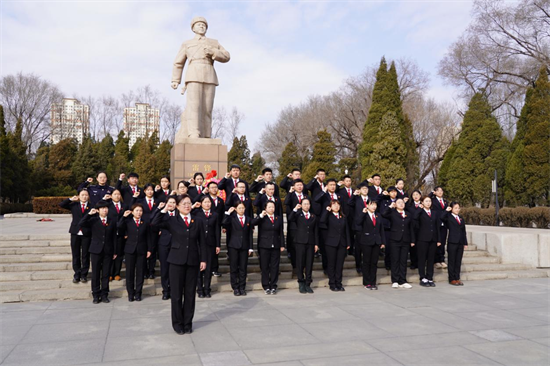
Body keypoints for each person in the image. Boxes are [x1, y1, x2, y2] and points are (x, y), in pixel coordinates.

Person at [152, 195, 207, 335]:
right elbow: (154, 222)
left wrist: (203, 260)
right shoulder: (172, 220)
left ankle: (188, 323)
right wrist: (164, 209)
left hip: (193, 261)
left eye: (189, 203)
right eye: (183, 203)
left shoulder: (198, 221)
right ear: (177, 206)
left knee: (190, 294)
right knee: (176, 295)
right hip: (176, 261)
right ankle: (177, 324)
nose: (187, 206)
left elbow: (203, 242)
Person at [78, 200, 118, 304]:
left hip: (108, 251)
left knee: (105, 274)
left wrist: (114, 251)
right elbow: (81, 223)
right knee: (95, 273)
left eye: (106, 208)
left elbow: (114, 237)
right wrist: (89, 214)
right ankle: (95, 294)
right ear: (98, 210)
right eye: (102, 208)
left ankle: (104, 294)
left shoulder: (112, 221)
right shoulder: (93, 220)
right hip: (96, 250)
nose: (105, 210)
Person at [118, 204, 150, 301]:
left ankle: (138, 293)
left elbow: (149, 237)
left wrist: (149, 250)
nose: (139, 212)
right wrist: (123, 216)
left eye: (140, 211)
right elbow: (119, 226)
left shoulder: (145, 222)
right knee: (130, 273)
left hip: (142, 250)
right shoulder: (128, 221)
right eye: (136, 210)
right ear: (132, 212)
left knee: (140, 273)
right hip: (130, 250)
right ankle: (130, 293)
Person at [381, 198, 415, 289]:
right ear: (395, 204)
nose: (401, 204)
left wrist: (412, 240)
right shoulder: (392, 213)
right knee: (395, 260)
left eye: (402, 202)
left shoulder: (408, 214)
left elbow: (411, 228)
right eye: (399, 203)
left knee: (403, 261)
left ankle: (402, 280)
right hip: (394, 240)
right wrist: (390, 207)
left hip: (405, 240)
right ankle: (395, 280)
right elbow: (383, 214)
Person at [253, 201, 285, 295]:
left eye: (273, 207)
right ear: (265, 208)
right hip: (264, 245)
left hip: (275, 245)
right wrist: (260, 216)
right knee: (265, 266)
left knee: (275, 266)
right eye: (269, 207)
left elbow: (281, 232)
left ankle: (273, 285)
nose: (272, 209)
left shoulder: (278, 218)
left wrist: (282, 244)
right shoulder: (262, 218)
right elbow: (253, 222)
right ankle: (266, 285)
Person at [59, 189, 91, 283]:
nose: (84, 197)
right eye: (82, 195)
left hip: (86, 232)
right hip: (75, 232)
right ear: (79, 196)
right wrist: (70, 199)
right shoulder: (74, 205)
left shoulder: (91, 206)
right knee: (75, 254)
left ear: (88, 196)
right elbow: (61, 205)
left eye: (86, 195)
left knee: (85, 254)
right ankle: (77, 273)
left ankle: (84, 274)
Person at [222, 202, 253, 296]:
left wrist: (250, 247)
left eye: (243, 208)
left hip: (244, 246)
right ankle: (235, 287)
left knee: (243, 268)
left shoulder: (248, 219)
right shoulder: (232, 218)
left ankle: (242, 287)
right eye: (239, 208)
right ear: (235, 209)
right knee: (234, 268)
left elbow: (250, 234)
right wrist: (227, 213)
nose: (242, 210)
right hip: (233, 246)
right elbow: (224, 223)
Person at [192, 195, 221, 298]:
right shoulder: (196, 213)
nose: (207, 204)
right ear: (201, 203)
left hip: (210, 244)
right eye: (205, 202)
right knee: (199, 268)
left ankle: (207, 289)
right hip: (198, 244)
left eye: (209, 202)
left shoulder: (215, 215)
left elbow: (217, 230)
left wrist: (218, 244)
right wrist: (193, 206)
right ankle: (199, 289)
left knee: (208, 268)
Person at [288, 198, 318, 294]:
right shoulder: (297, 215)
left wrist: (316, 244)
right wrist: (295, 209)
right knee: (300, 262)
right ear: (301, 205)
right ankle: (301, 282)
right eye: (304, 204)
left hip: (310, 242)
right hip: (300, 241)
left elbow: (316, 231)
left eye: (308, 204)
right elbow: (290, 218)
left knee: (309, 263)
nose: (306, 206)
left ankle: (308, 283)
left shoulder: (313, 216)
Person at [320, 200, 350, 292]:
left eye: (338, 204)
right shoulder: (328, 216)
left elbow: (346, 231)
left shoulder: (343, 217)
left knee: (339, 265)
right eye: (334, 205)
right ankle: (332, 283)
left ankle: (339, 283)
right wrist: (326, 211)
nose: (336, 206)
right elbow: (322, 221)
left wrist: (348, 243)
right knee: (331, 264)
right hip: (331, 243)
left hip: (342, 243)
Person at [151, 195, 178, 300]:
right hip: (164, 244)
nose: (172, 205)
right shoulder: (162, 214)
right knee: (165, 269)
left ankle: (174, 290)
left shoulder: (179, 214)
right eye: (170, 202)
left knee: (175, 269)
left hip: (176, 245)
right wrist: (163, 210)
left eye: (174, 203)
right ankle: (166, 291)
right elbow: (153, 223)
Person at [356, 200, 386, 290]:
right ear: (367, 205)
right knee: (366, 262)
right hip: (366, 241)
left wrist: (383, 242)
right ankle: (366, 282)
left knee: (374, 263)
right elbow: (358, 223)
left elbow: (381, 229)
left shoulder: (378, 215)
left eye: (375, 204)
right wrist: (362, 213)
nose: (374, 206)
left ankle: (373, 282)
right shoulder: (364, 215)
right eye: (371, 204)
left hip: (376, 241)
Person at [315, 178, 343, 273]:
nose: (333, 187)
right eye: (331, 185)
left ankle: (335, 268)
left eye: (334, 185)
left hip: (336, 225)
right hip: (325, 225)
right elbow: (316, 200)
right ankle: (326, 267)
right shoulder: (324, 195)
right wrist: (323, 191)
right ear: (327, 186)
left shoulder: (338, 196)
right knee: (325, 248)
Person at [412, 196, 441, 288]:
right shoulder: (420, 212)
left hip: (433, 239)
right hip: (422, 239)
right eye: (426, 201)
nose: (428, 203)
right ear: (422, 202)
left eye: (429, 201)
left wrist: (439, 239)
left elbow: (437, 227)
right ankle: (422, 277)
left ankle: (429, 277)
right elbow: (414, 219)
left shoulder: (434, 213)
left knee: (431, 259)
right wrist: (419, 209)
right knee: (422, 259)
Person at [134, 184, 158, 279]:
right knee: (144, 251)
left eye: (151, 190)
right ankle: (144, 271)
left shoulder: (158, 201)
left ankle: (151, 271)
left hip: (154, 229)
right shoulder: (140, 201)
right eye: (148, 190)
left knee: (152, 250)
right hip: (142, 228)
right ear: (144, 191)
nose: (150, 191)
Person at [284, 179, 309, 270]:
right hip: (294, 224)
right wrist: (290, 193)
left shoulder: (306, 196)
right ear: (293, 186)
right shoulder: (291, 195)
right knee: (294, 247)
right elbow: (286, 203)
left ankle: (304, 266)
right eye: (297, 185)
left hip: (304, 224)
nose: (299, 187)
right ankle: (295, 267)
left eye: (301, 185)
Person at [441, 203, 468, 286]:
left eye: (458, 208)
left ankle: (457, 277)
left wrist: (465, 242)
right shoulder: (449, 217)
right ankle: (452, 278)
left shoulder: (461, 218)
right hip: (452, 242)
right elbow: (441, 218)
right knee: (452, 261)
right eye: (455, 208)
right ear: (451, 208)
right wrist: (446, 211)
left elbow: (463, 231)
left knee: (458, 261)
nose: (457, 209)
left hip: (460, 242)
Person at [348, 182, 370, 274]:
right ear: (360, 190)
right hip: (358, 226)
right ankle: (358, 265)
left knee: (367, 247)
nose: (365, 190)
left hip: (369, 226)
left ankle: (366, 265)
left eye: (366, 189)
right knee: (358, 247)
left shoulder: (371, 199)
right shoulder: (357, 199)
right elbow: (349, 203)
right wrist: (353, 195)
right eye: (363, 189)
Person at [107, 189, 125, 281]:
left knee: (119, 254)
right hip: (110, 232)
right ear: (111, 196)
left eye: (118, 194)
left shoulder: (124, 205)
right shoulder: (108, 205)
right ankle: (109, 273)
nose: (117, 196)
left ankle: (117, 273)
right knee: (110, 253)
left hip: (121, 233)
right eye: (115, 194)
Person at [430, 186, 449, 269]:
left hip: (444, 224)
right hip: (436, 223)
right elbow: (425, 199)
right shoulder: (433, 201)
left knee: (443, 242)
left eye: (441, 190)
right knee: (437, 242)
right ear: (435, 192)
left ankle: (442, 259)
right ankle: (436, 260)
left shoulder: (445, 201)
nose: (440, 192)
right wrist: (431, 194)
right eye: (438, 191)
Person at [406, 189, 423, 270]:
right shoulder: (409, 206)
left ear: (420, 195)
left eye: (417, 194)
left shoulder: (424, 204)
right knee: (413, 246)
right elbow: (413, 216)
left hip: (422, 228)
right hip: (412, 228)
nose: (415, 196)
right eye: (414, 195)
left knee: (420, 247)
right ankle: (413, 262)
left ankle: (420, 263)